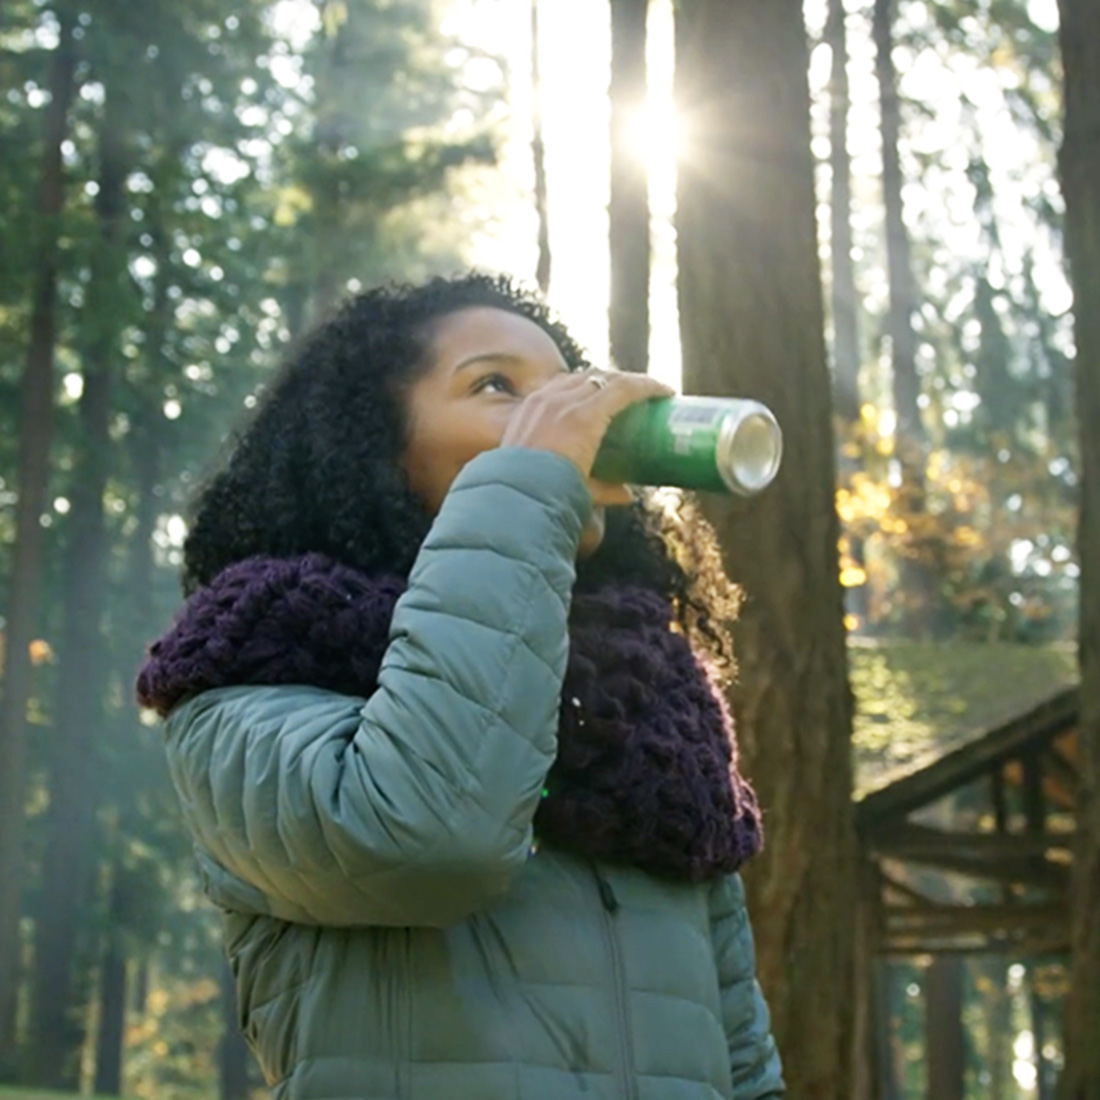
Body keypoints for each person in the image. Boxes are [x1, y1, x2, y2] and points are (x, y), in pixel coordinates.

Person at [137, 273, 785, 1100]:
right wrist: (525, 491)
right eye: (495, 386)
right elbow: (428, 839)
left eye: (562, 394)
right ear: (371, 446)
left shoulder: (652, 720)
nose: (562, 419)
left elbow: (743, 1061)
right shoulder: (249, 676)